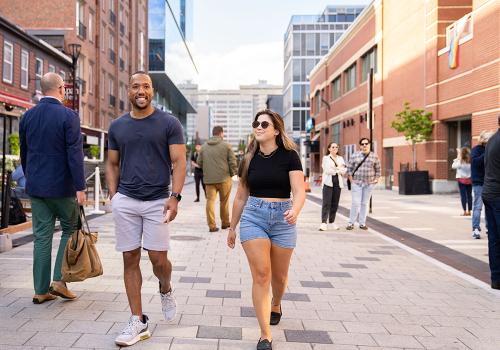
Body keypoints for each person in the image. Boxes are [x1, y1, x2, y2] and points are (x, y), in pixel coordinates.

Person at [106, 71, 186, 347]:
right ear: (128, 91)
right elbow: (112, 163)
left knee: (158, 260)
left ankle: (165, 287)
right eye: (136, 86)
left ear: (152, 91)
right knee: (130, 257)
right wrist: (114, 196)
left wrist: (175, 196)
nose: (141, 90)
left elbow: (179, 162)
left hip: (157, 201)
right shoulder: (117, 126)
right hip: (126, 200)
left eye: (146, 86)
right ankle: (137, 320)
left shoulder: (169, 123)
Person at [227, 110, 305, 350]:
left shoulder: (290, 156)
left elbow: (299, 191)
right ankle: (265, 335)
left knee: (279, 278)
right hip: (254, 217)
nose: (258, 127)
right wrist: (232, 227)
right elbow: (240, 196)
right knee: (262, 274)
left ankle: (277, 303)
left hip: (283, 219)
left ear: (276, 130)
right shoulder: (248, 158)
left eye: (264, 124)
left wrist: (296, 210)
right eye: (256, 123)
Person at [19, 72, 86, 304]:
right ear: (61, 89)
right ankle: (58, 279)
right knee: (70, 229)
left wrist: (32, 178)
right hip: (63, 188)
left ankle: (40, 290)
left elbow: (24, 154)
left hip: (37, 188)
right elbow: (75, 154)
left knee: (42, 238)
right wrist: (80, 187)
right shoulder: (69, 116)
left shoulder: (27, 116)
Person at [197, 126, 237, 232]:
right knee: (224, 201)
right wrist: (234, 174)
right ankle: (225, 223)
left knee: (210, 201)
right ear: (221, 133)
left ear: (213, 133)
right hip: (224, 179)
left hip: (209, 180)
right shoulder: (226, 145)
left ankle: (212, 225)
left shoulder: (204, 147)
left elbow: (199, 163)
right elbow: (232, 161)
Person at [346, 138, 381, 230]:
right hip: (356, 183)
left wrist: (376, 180)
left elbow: (378, 170)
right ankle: (351, 223)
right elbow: (349, 169)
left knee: (364, 203)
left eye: (366, 143)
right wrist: (351, 180)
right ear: (360, 146)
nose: (364, 145)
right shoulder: (354, 155)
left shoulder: (374, 156)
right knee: (355, 203)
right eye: (362, 144)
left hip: (369, 184)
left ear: (369, 145)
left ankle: (362, 223)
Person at [484, 115, 500, 290]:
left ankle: (496, 279)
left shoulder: (492, 139)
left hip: (489, 193)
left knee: (494, 238)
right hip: (497, 196)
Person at [470, 131, 493, 239]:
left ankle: (490, 228)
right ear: (484, 139)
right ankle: (475, 229)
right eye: (489, 139)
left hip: (490, 182)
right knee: (478, 207)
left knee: (490, 207)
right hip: (478, 183)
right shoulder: (476, 150)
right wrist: (486, 153)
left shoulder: (492, 149)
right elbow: (475, 163)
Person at [319, 142, 346, 231]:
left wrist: (336, 169)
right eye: (333, 147)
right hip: (328, 183)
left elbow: (344, 170)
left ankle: (332, 221)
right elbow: (327, 170)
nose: (335, 148)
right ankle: (323, 223)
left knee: (335, 203)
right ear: (329, 149)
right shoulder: (326, 158)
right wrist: (338, 169)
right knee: (326, 203)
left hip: (338, 183)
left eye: (336, 147)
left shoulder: (340, 158)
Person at [452, 147, 472, 216]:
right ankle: (469, 211)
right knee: (469, 196)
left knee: (463, 196)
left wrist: (457, 157)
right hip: (469, 180)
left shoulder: (460, 162)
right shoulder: (470, 162)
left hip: (461, 180)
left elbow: (453, 166)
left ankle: (464, 211)